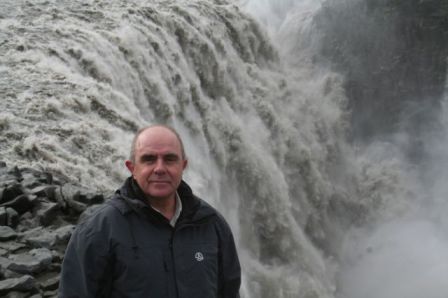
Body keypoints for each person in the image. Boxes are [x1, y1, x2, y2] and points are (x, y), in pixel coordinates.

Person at [58, 124, 241, 298]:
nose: (160, 168)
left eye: (169, 159)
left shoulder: (211, 224)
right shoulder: (98, 230)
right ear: (132, 168)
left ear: (183, 166)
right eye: (149, 159)